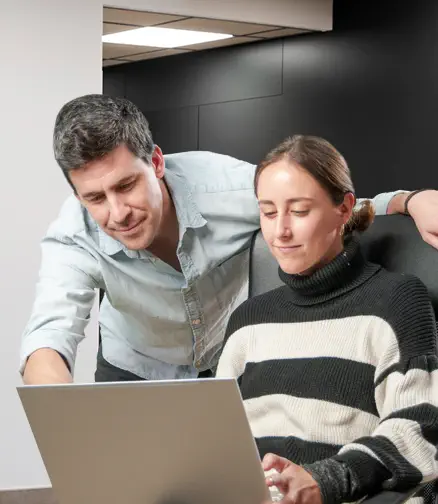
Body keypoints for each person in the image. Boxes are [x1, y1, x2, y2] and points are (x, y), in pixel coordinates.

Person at [20, 94, 438, 385]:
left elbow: (323, 205)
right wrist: (61, 411)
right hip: (135, 368)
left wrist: (410, 200)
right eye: (95, 197)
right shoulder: (73, 235)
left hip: (230, 365)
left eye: (127, 185)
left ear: (157, 163)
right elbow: (49, 335)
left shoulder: (226, 188)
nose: (117, 212)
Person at [215, 135, 438, 504]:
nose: (280, 230)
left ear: (344, 208)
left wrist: (326, 480)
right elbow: (214, 436)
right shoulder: (248, 319)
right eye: (268, 212)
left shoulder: (396, 299)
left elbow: (419, 430)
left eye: (299, 211)